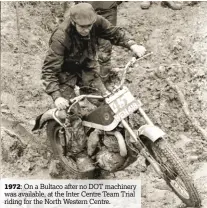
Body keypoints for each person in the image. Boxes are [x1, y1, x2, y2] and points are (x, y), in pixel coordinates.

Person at [41, 3, 146, 173]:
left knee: (108, 101)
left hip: (86, 67)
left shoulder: (97, 22)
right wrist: (56, 95)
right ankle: (79, 153)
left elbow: (115, 33)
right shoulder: (61, 37)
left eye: (89, 26)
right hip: (64, 73)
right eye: (82, 27)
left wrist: (132, 44)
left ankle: (107, 139)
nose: (86, 30)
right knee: (71, 113)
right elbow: (48, 70)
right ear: (73, 22)